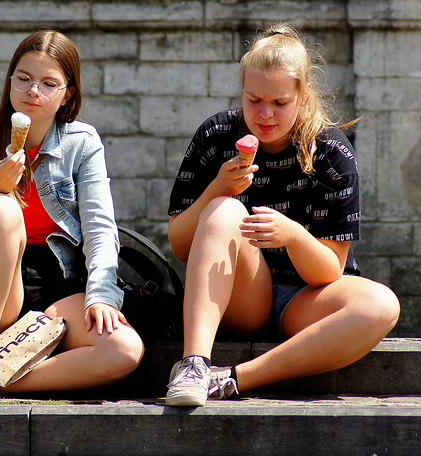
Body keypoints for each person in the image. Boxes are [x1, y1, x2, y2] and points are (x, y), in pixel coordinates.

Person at [164, 24, 400, 407]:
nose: (265, 114)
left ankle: (236, 380)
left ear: (303, 95)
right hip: (241, 296)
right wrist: (218, 189)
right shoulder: (216, 135)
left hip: (305, 299)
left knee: (381, 305)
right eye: (254, 99)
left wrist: (293, 235)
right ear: (241, 90)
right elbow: (179, 244)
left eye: (279, 102)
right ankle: (193, 365)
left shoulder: (331, 152)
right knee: (224, 210)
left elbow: (328, 273)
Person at [0, 30, 144, 404]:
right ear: (10, 80)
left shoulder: (82, 144)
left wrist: (101, 295)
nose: (33, 90)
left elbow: (101, 230)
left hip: (58, 288)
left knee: (124, 350)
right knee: (2, 210)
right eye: (23, 78)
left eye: (49, 83)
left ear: (67, 93)